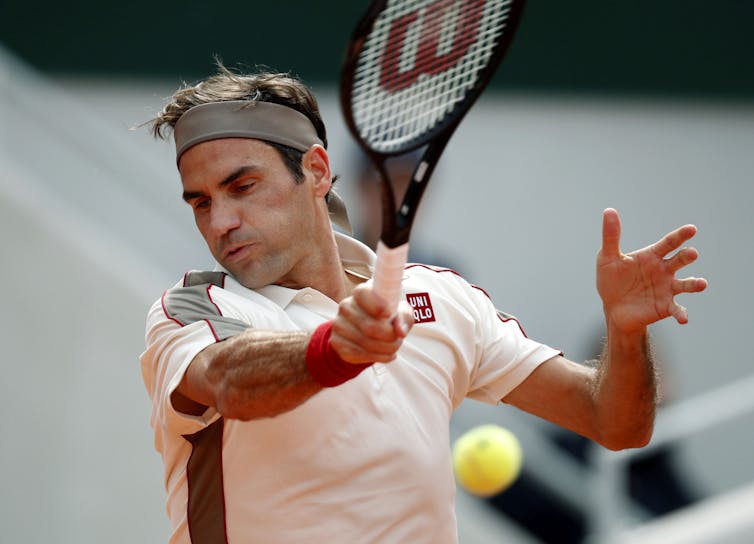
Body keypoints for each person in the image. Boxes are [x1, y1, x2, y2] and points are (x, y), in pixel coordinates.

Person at [139, 64, 707, 544]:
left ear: (314, 171)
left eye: (242, 187)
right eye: (201, 202)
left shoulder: (443, 298)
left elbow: (614, 423)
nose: (220, 222)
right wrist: (334, 350)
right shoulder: (193, 308)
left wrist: (624, 332)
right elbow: (228, 381)